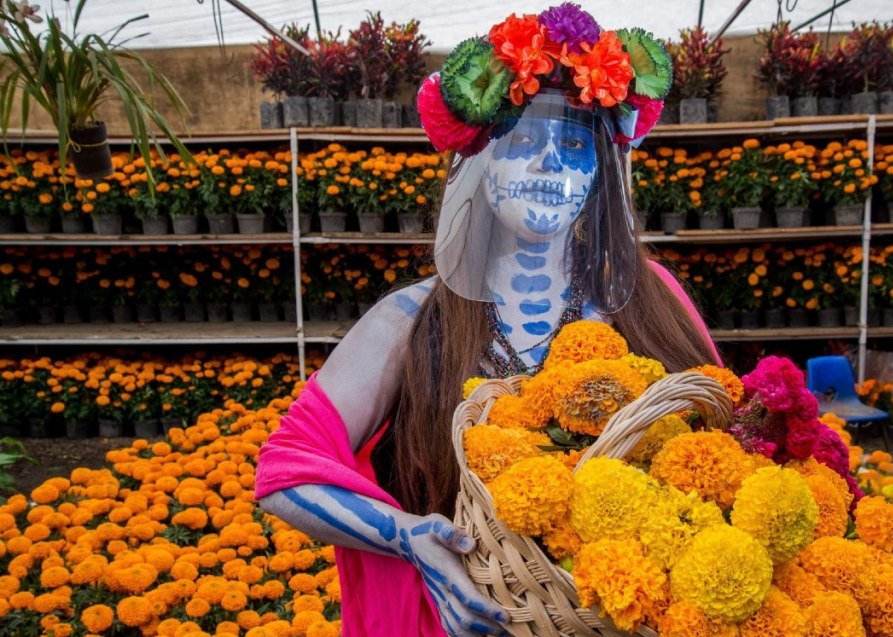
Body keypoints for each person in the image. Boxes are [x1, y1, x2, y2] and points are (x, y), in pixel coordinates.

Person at [255, 5, 720, 636]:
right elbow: (286, 469)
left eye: (576, 145)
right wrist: (409, 537)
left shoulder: (647, 297)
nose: (551, 165)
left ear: (598, 176)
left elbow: (728, 435)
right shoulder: (411, 318)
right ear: (479, 164)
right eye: (523, 142)